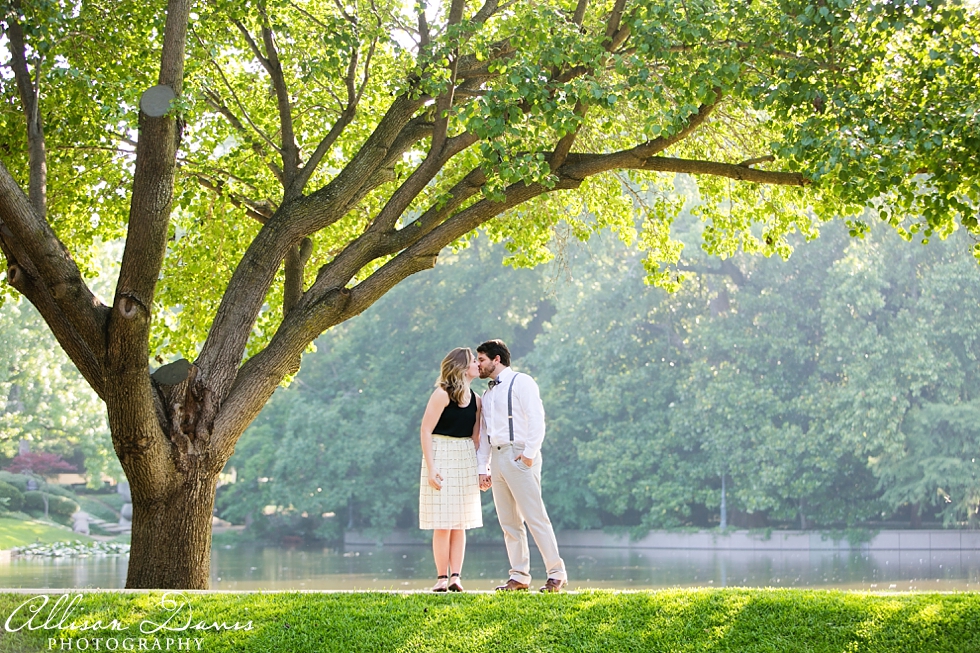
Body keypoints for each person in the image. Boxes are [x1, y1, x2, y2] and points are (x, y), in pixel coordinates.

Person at [476, 339, 567, 592]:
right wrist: (483, 467)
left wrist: (529, 454)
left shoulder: (522, 381)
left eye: (481, 359)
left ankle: (556, 574)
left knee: (535, 517)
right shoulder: (488, 392)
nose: (477, 365)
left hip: (518, 454)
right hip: (497, 456)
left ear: (496, 359)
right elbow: (484, 433)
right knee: (509, 523)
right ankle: (519, 577)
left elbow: (537, 418)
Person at [418, 347, 484, 592]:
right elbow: (426, 430)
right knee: (442, 521)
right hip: (441, 454)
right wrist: (432, 467)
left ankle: (456, 576)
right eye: (474, 361)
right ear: (462, 366)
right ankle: (441, 578)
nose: (478, 364)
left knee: (460, 522)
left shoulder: (477, 400)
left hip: (465, 457)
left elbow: (477, 439)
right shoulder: (442, 394)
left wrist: (481, 470)